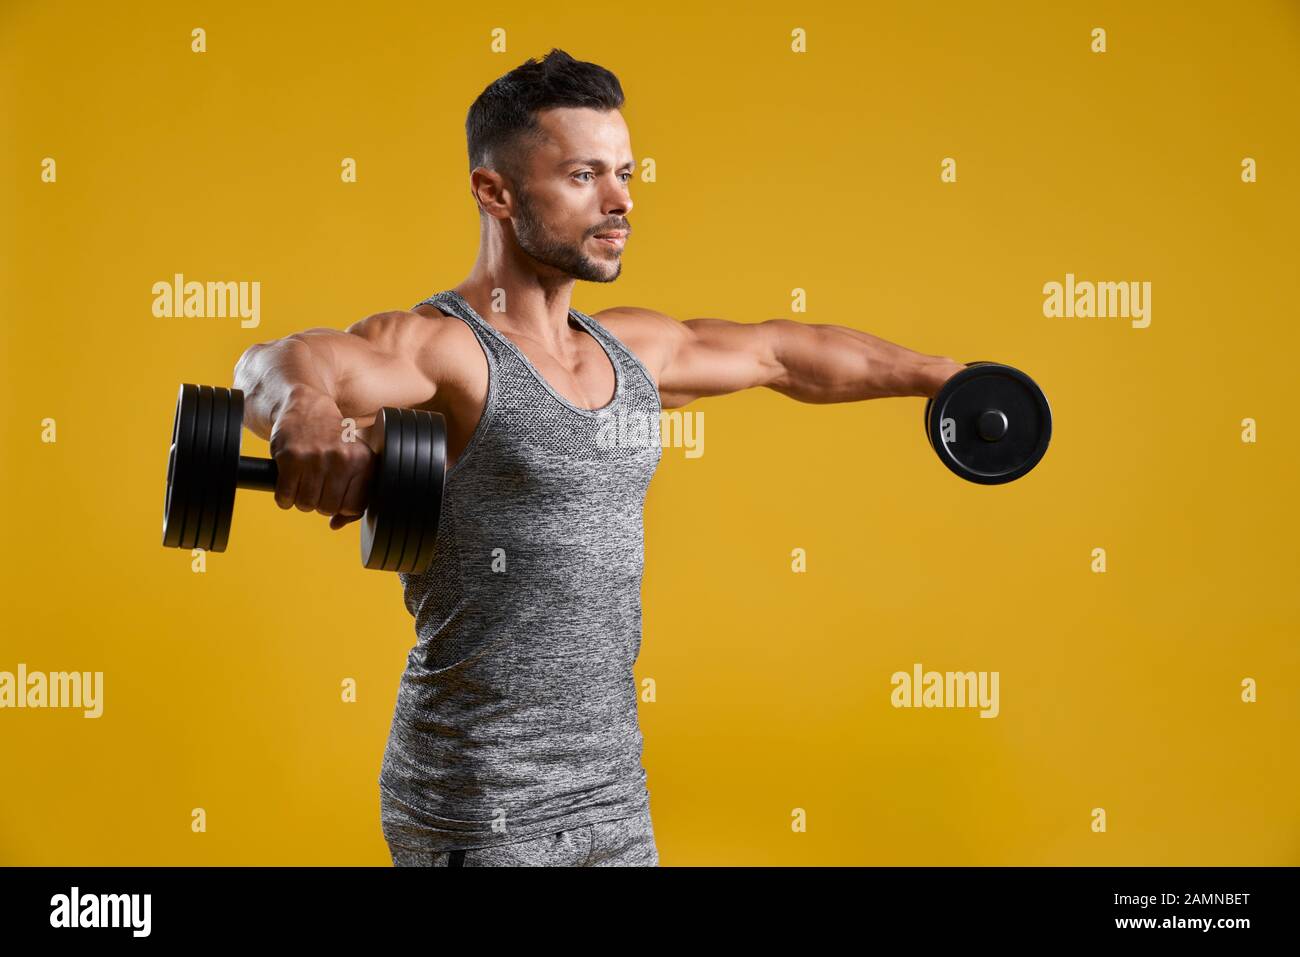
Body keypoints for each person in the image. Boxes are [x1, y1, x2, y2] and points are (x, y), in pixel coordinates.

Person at [232, 48, 963, 867]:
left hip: (613, 790)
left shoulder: (631, 350)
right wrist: (304, 408)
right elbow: (282, 361)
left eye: (626, 172)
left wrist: (945, 378)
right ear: (495, 192)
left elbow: (784, 354)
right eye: (585, 176)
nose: (621, 201)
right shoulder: (446, 352)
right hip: (479, 800)